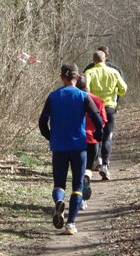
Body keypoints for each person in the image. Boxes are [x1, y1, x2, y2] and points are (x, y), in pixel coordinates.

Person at [39, 63, 103, 235]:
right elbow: (97, 121)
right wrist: (98, 136)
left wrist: (50, 136)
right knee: (77, 185)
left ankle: (59, 201)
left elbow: (42, 122)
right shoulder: (83, 96)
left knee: (59, 184)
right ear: (77, 78)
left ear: (62, 77)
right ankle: (70, 224)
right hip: (79, 148)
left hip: (59, 147)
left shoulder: (53, 96)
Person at [84, 50, 127, 181]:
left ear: (94, 61)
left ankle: (94, 162)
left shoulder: (89, 72)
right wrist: (115, 91)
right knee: (107, 136)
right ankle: (105, 165)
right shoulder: (114, 72)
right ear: (105, 60)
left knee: (94, 135)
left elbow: (85, 89)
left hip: (94, 108)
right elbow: (123, 88)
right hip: (109, 107)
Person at [76, 75, 108, 207]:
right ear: (87, 86)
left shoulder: (72, 100)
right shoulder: (97, 100)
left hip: (76, 139)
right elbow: (103, 121)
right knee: (88, 168)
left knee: (78, 169)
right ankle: (86, 184)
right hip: (92, 140)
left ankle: (80, 199)